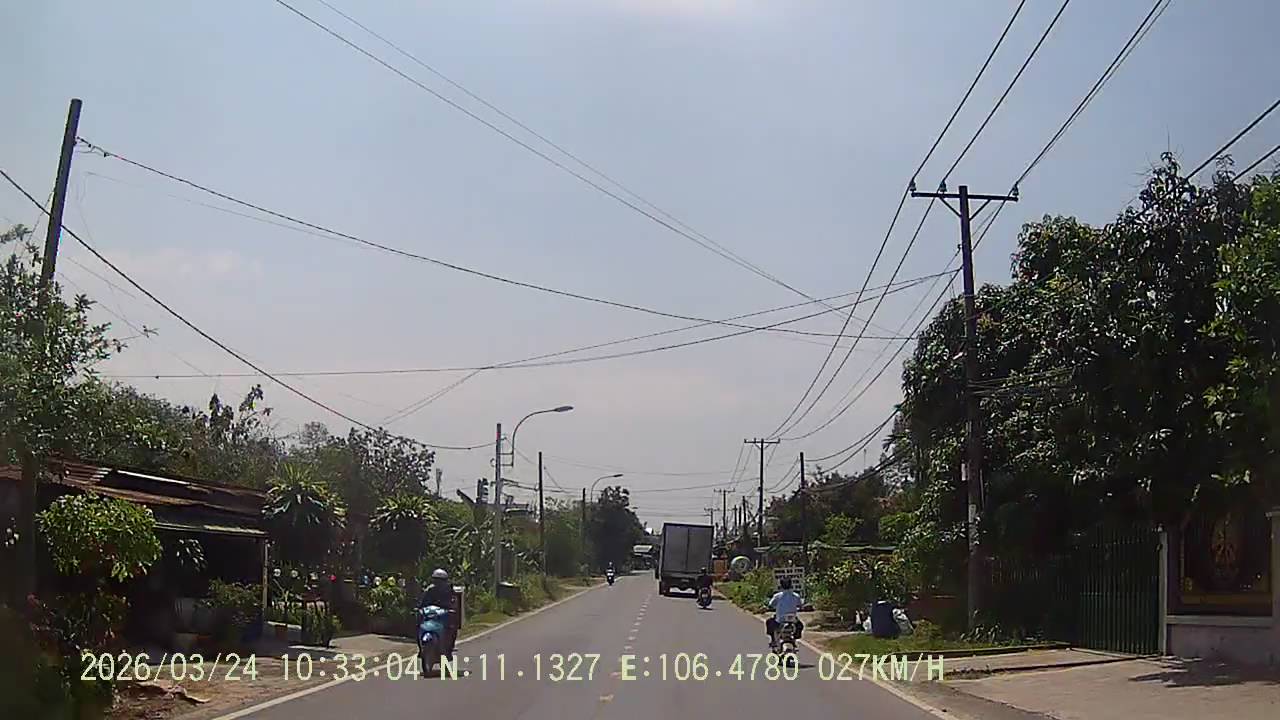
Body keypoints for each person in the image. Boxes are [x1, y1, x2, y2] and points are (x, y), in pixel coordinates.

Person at [418, 568, 457, 654]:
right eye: (436, 580)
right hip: (430, 612)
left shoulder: (449, 590)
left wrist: (451, 608)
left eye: (441, 580)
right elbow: (422, 601)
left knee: (452, 626)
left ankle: (449, 646)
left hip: (444, 612)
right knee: (418, 625)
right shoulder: (429, 589)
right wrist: (419, 608)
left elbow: (453, 601)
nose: (439, 583)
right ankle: (421, 648)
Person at [765, 576, 804, 643]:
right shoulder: (796, 596)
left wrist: (769, 608)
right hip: (792, 619)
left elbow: (770, 605)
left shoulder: (777, 596)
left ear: (781, 586)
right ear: (791, 585)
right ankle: (795, 638)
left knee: (769, 622)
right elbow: (800, 605)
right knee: (800, 625)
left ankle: (773, 640)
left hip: (780, 619)